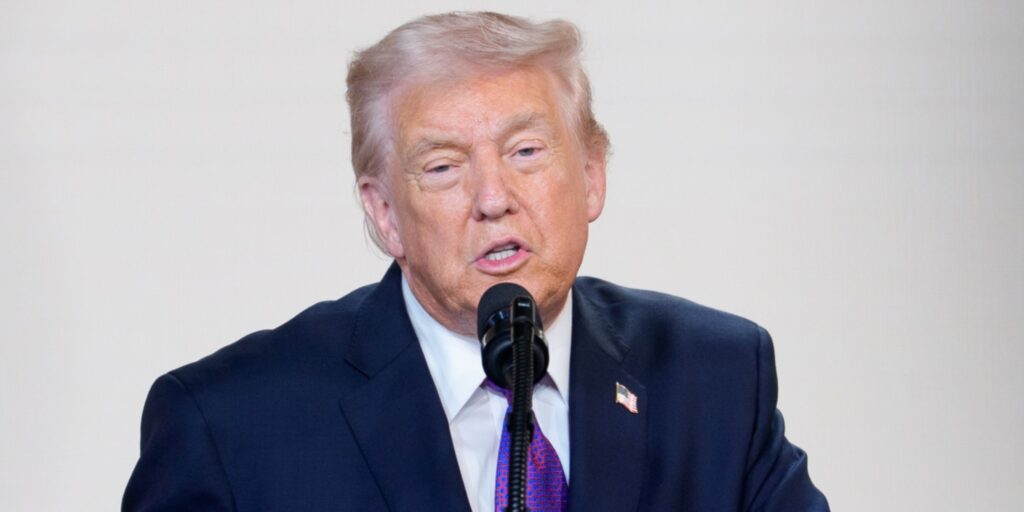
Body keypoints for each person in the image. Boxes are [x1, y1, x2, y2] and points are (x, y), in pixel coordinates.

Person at [123, 11, 829, 512]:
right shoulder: (231, 425)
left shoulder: (715, 379)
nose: (494, 198)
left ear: (592, 175)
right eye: (442, 166)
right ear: (384, 212)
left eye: (526, 152)